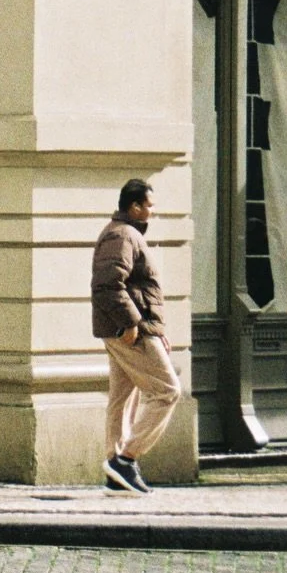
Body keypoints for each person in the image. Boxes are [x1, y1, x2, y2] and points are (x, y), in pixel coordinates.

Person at [90, 177, 181, 494]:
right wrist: (131, 324)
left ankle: (116, 470)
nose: (153, 211)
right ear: (135, 207)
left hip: (132, 329)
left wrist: (156, 330)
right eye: (149, 206)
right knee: (167, 391)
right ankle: (126, 459)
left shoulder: (126, 234)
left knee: (123, 398)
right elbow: (107, 285)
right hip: (129, 332)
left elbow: (139, 290)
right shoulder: (122, 235)